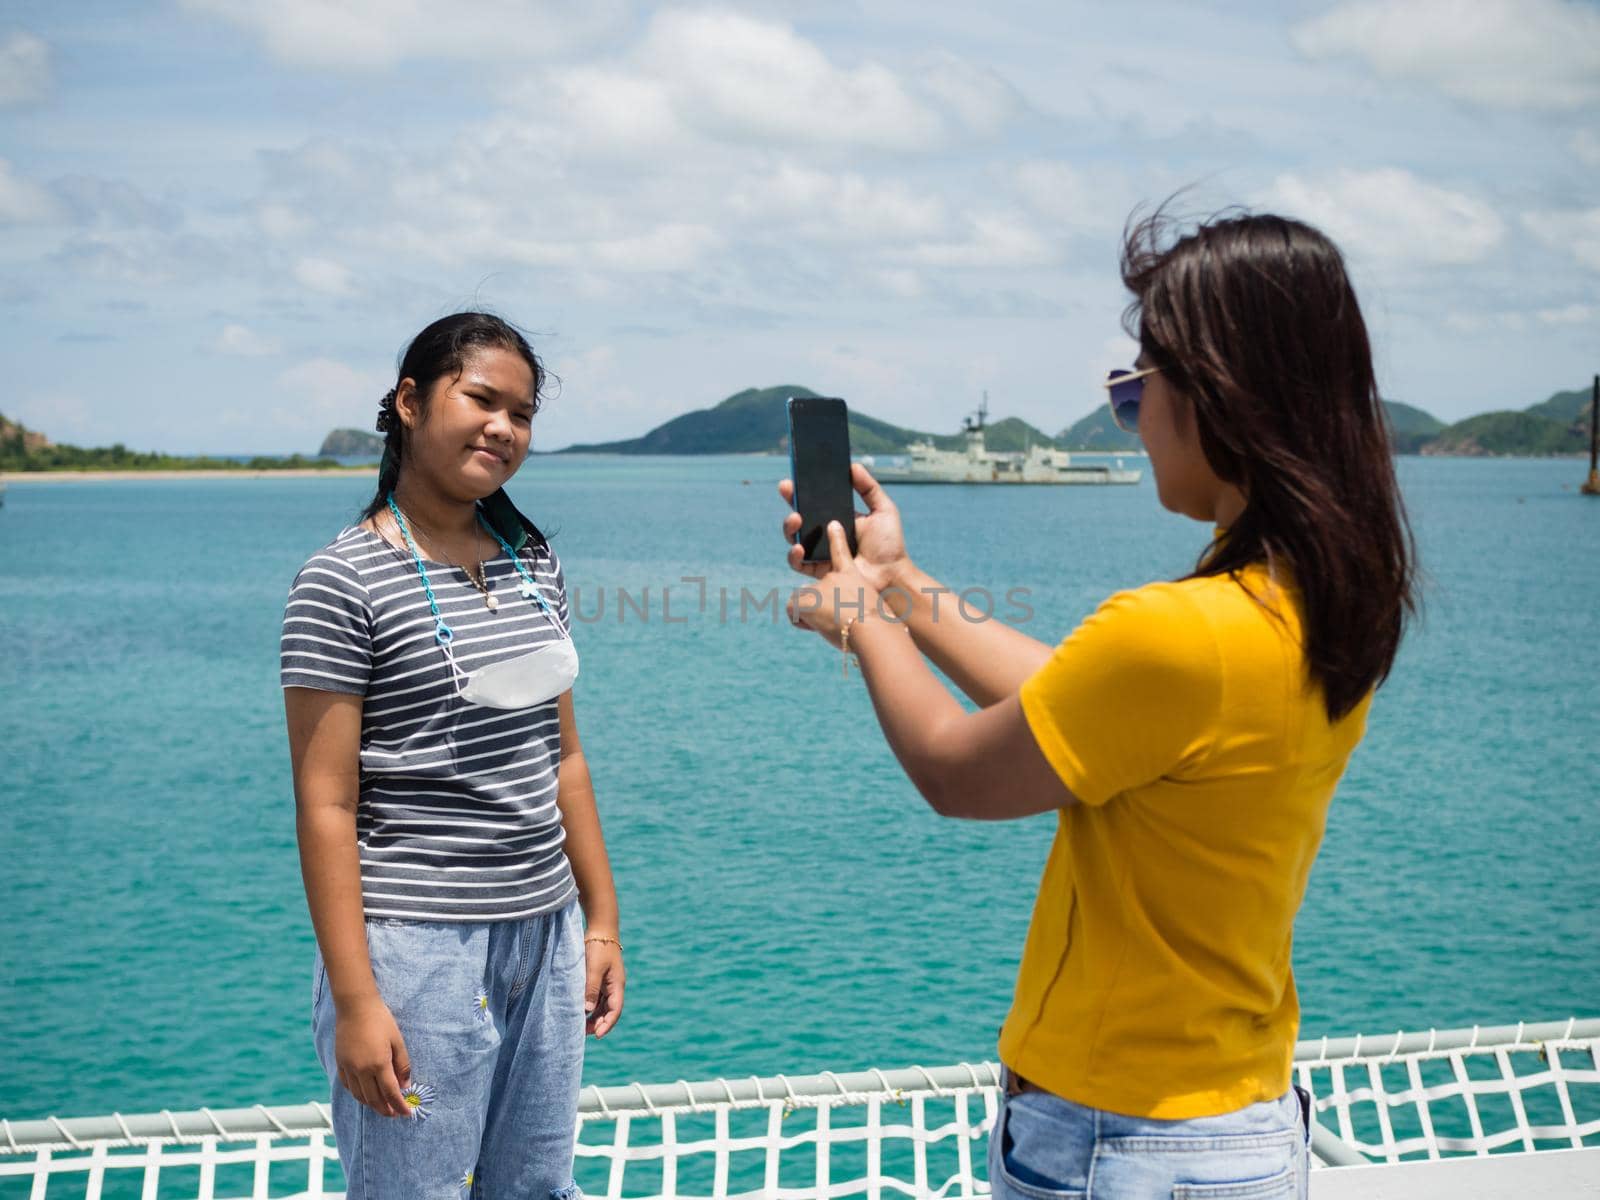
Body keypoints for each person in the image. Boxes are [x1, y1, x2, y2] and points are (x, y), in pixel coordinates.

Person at [780, 211, 1415, 1200]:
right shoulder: (1318, 605)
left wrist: (864, 622)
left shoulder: (1178, 630)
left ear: (1220, 394)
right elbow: (1083, 714)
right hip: (1238, 1118)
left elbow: (955, 768)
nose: (1133, 412)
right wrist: (900, 583)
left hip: (1121, 1138)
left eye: (1135, 387)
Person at [281, 313, 623, 1200]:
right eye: (481, 398)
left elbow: (564, 758)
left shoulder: (530, 560)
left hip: (541, 936)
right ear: (408, 401)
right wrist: (359, 1004)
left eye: (523, 412)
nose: (504, 427)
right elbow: (327, 806)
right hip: (416, 952)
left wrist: (601, 922)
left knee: (534, 1191)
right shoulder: (343, 579)